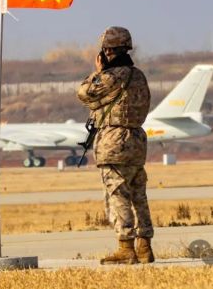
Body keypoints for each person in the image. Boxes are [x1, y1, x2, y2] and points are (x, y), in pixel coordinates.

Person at [77, 26, 154, 265]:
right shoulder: (138, 76)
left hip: (114, 142)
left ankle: (125, 247)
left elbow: (84, 93)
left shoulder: (111, 77)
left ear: (107, 51)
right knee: (138, 194)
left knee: (118, 194)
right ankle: (144, 246)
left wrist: (97, 72)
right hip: (137, 141)